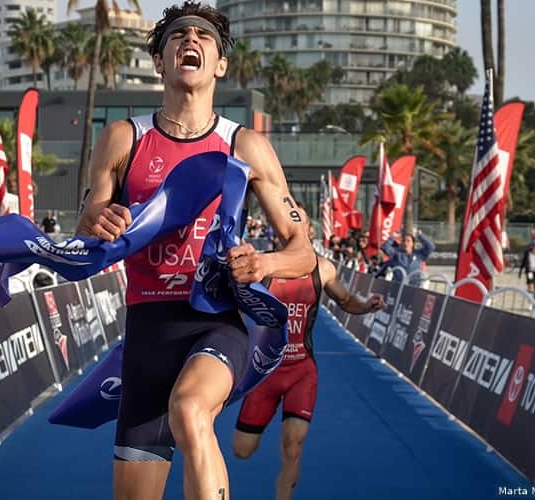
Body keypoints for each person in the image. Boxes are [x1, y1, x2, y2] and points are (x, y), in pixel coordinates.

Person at [74, 3, 316, 498]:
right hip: (146, 332)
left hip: (216, 321)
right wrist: (97, 219)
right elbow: (89, 216)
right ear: (160, 62)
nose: (192, 40)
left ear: (220, 64)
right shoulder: (124, 138)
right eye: (179, 35)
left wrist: (263, 263)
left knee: (190, 409)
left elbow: (303, 251)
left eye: (204, 36)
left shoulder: (244, 146)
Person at [232, 252, 384, 499]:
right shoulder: (264, 267)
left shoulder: (322, 269)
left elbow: (345, 300)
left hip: (302, 372)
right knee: (242, 449)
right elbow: (237, 310)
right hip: (267, 373)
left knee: (293, 447)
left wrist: (367, 306)